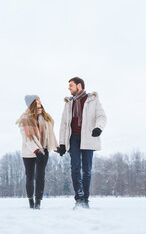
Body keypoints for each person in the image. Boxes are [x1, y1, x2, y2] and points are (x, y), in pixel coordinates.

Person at [57, 77, 107, 209]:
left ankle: (86, 199)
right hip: (73, 138)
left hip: (88, 137)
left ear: (79, 85)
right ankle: (78, 199)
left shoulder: (93, 100)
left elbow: (101, 116)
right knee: (75, 168)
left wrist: (98, 128)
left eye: (71, 85)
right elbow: (63, 124)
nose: (69, 88)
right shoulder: (68, 103)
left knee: (87, 170)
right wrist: (62, 144)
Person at [16, 95, 58, 209]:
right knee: (30, 177)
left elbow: (50, 134)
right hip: (29, 152)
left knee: (40, 176)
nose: (39, 101)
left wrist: (55, 146)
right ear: (31, 103)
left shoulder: (45, 117)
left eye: (39, 99)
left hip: (43, 150)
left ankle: (38, 202)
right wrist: (36, 151)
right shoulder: (25, 118)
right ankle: (31, 200)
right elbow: (27, 138)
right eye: (36, 100)